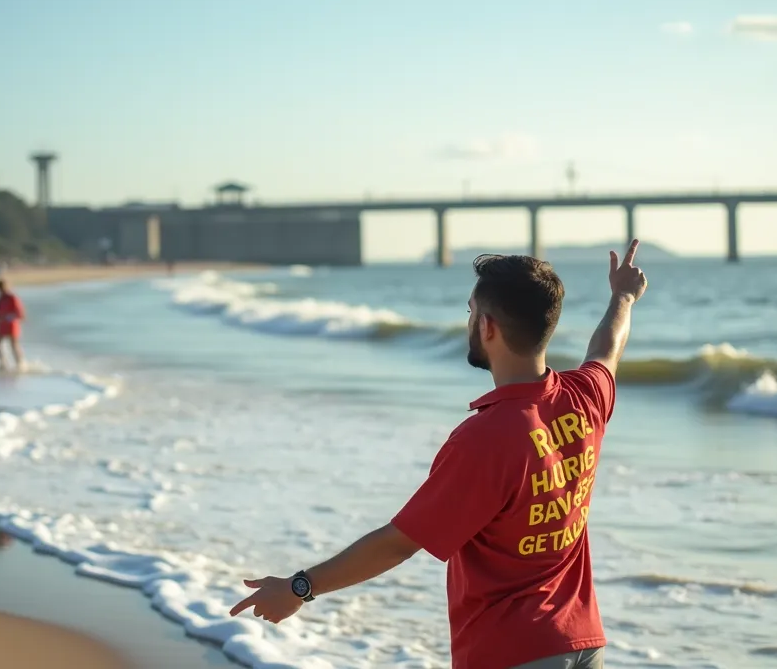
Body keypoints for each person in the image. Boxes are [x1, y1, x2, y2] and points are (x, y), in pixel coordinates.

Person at [228, 241, 649, 669]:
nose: (468, 322)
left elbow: (399, 543)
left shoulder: (486, 437)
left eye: (470, 312)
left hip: (512, 651)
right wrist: (623, 298)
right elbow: (606, 349)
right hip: (583, 644)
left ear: (487, 326)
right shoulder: (586, 397)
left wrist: (299, 587)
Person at [0, 279, 25, 371]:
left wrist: (8, 317)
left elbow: (20, 313)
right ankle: (3, 362)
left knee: (14, 344)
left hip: (11, 324)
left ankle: (20, 363)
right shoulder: (0, 299)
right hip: (2, 324)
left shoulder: (12, 298)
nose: (1, 291)